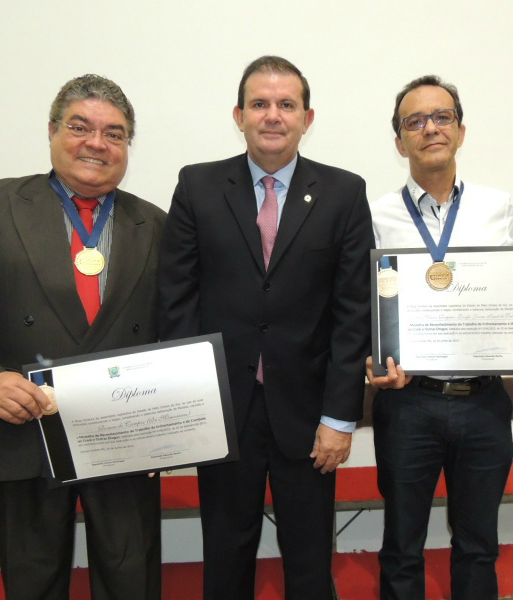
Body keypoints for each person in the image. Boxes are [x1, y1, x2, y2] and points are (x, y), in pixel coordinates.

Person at [0, 74, 166, 600]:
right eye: (80, 127)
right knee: (32, 587)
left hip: (124, 445)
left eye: (115, 134)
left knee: (133, 585)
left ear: (128, 146)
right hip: (22, 435)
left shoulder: (157, 224)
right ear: (51, 131)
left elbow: (182, 331)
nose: (97, 143)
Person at [158, 55, 374, 600]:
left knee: (308, 561)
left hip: (310, 416)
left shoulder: (344, 193)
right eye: (259, 104)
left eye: (286, 104)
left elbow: (353, 313)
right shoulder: (198, 186)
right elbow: (176, 300)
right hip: (223, 411)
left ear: (308, 117)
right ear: (238, 115)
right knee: (225, 558)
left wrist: (340, 417)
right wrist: (193, 405)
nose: (272, 115)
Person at [366, 75, 513, 600]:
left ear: (460, 131)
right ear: (399, 142)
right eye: (414, 121)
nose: (429, 128)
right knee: (401, 548)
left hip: (484, 403)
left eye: (441, 117)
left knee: (479, 545)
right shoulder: (374, 215)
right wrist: (366, 358)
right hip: (408, 402)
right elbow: (358, 306)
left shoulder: (496, 206)